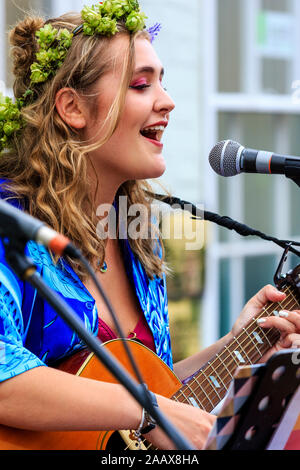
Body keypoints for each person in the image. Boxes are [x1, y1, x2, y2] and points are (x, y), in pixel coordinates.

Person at [0, 1, 299, 451]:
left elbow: (147, 399)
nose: (168, 101)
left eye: (163, 81)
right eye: (141, 84)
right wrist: (147, 407)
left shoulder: (137, 237)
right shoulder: (11, 225)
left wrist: (237, 346)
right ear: (72, 108)